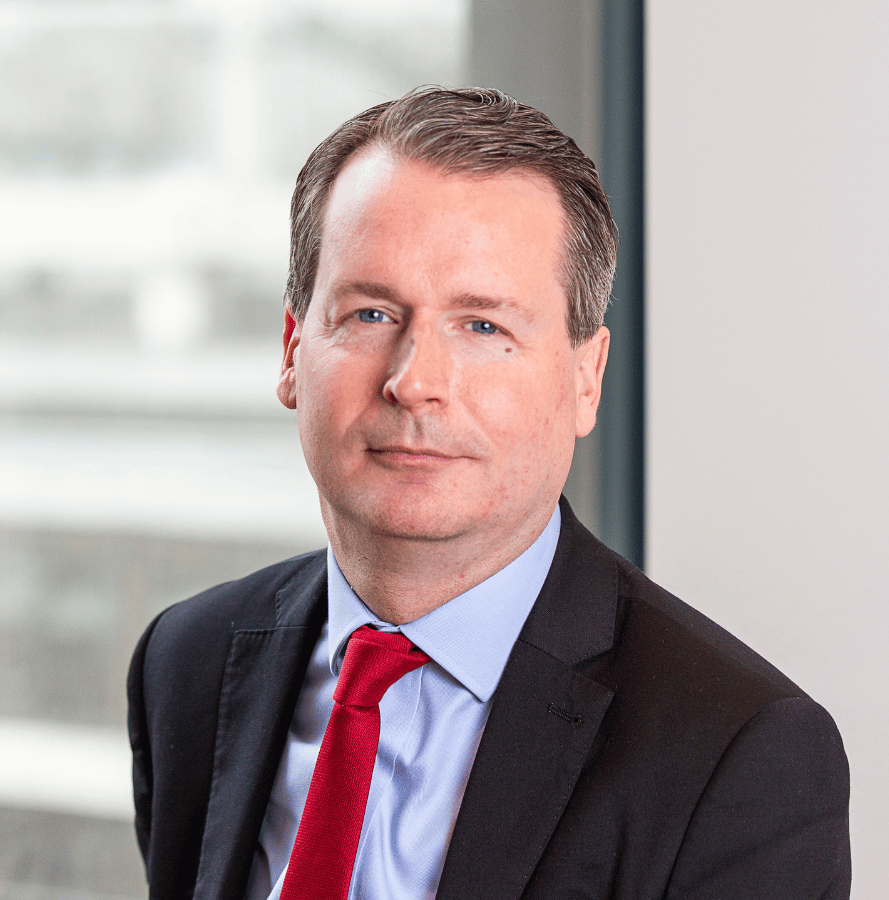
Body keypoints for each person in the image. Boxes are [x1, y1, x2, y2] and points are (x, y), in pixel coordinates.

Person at [127, 87, 850, 900]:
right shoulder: (186, 663)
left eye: (483, 327)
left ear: (585, 378)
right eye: (369, 313)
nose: (414, 382)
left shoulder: (740, 756)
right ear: (294, 351)